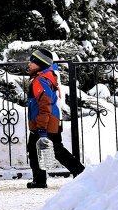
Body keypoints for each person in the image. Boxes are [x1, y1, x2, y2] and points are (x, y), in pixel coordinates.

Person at [26, 47, 85, 189]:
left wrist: (41, 127)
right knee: (52, 150)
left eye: (32, 62)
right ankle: (79, 172)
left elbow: (45, 105)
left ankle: (80, 172)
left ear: (40, 64)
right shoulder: (48, 77)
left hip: (44, 123)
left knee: (46, 150)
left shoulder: (40, 80)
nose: (29, 65)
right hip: (51, 121)